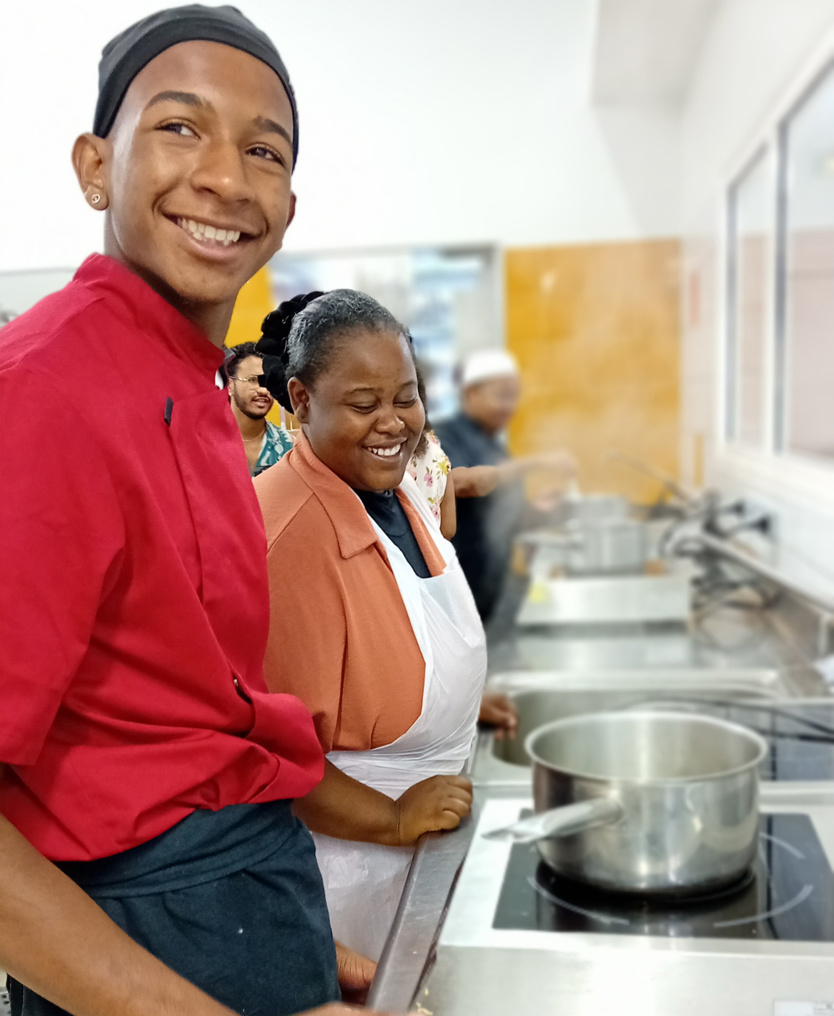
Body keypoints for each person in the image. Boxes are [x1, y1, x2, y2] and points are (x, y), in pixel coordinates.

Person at [0, 8, 384, 1016]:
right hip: (146, 943)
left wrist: (282, 930)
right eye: (180, 126)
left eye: (264, 149)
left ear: (287, 207)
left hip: (230, 913)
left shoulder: (192, 386)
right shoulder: (44, 389)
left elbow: (182, 723)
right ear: (95, 167)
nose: (226, 177)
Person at [254, 290, 486, 961]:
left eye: (406, 398)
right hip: (352, 873)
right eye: (363, 404)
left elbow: (402, 626)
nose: (393, 423)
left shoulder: (392, 484)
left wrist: (468, 695)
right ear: (301, 400)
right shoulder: (286, 538)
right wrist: (390, 817)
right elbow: (269, 754)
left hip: (428, 834)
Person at [434, 349, 575, 622]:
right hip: (457, 591)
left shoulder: (495, 447)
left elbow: (502, 517)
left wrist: (537, 510)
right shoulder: (446, 436)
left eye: (513, 397)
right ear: (471, 393)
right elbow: (458, 484)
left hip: (490, 590)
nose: (509, 406)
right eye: (501, 396)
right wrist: (537, 463)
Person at [227, 341, 293, 476]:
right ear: (230, 385)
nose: (263, 390)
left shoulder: (290, 449)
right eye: (252, 380)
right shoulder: (204, 445)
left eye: (268, 381)